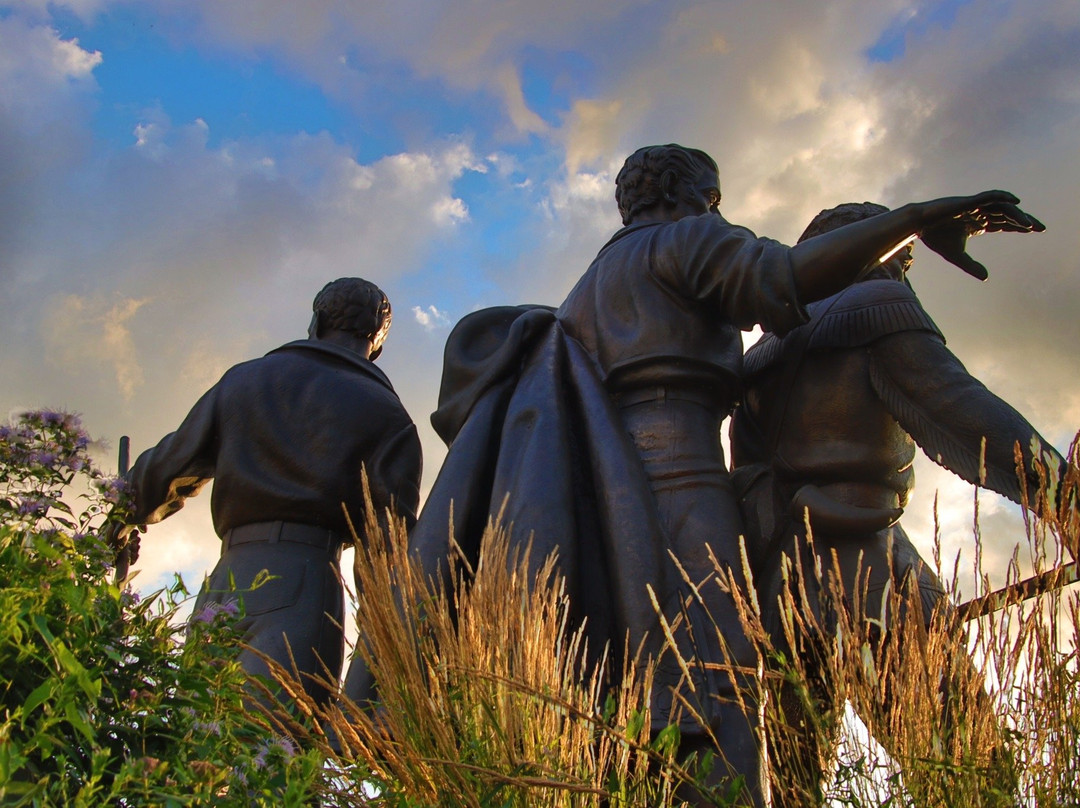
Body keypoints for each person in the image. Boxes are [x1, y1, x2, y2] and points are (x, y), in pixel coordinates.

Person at [410, 145, 1045, 806]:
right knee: (716, 691)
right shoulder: (686, 240)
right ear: (696, 196)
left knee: (658, 692)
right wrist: (916, 216)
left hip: (617, 506)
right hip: (686, 486)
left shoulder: (591, 286)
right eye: (716, 203)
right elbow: (790, 276)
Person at [729, 202, 1074, 804]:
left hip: (780, 590)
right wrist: (1066, 497)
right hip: (869, 575)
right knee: (968, 769)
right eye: (903, 258)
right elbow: (967, 415)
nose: (907, 269)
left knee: (792, 786)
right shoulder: (875, 309)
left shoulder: (761, 356)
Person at [120, 278, 422, 708]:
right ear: (375, 344)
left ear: (316, 323)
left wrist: (122, 512)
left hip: (225, 579)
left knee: (192, 748)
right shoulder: (389, 416)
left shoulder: (244, 381)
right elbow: (385, 554)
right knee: (272, 750)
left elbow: (167, 465)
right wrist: (382, 669)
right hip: (305, 583)